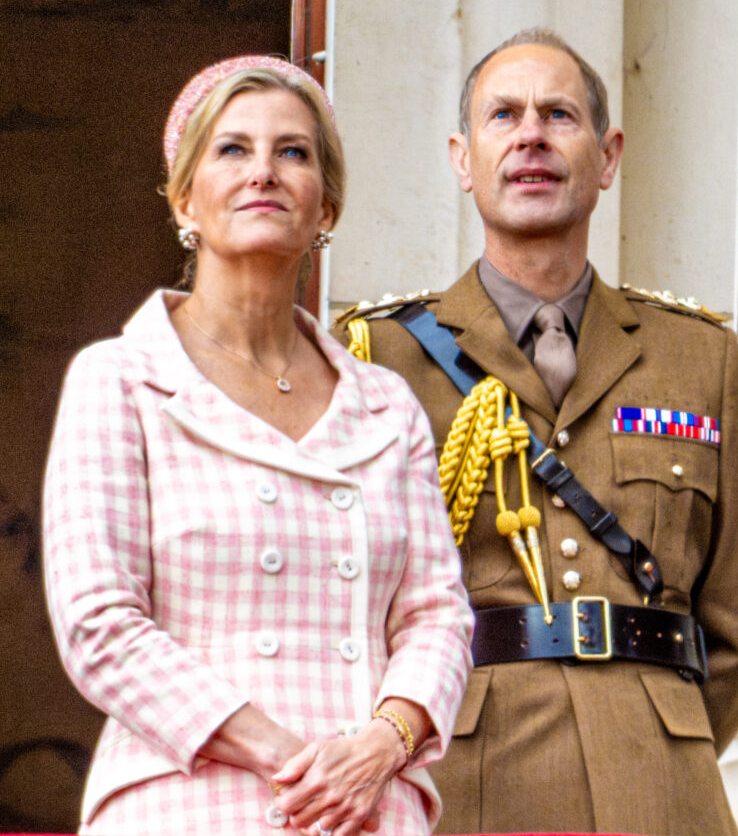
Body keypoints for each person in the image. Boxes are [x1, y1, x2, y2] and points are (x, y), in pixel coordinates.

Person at [334, 29, 738, 836]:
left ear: (607, 157)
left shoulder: (697, 356)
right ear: (464, 160)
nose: (531, 133)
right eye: (504, 115)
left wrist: (658, 731)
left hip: (659, 785)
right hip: (461, 777)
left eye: (558, 114)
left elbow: (737, 624)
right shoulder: (377, 356)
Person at [42, 55, 473, 836]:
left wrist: (382, 746)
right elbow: (99, 623)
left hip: (369, 810)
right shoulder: (120, 380)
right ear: (184, 198)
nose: (264, 172)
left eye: (293, 152)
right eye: (232, 149)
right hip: (185, 802)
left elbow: (436, 615)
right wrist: (297, 758)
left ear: (326, 207)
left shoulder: (386, 404)